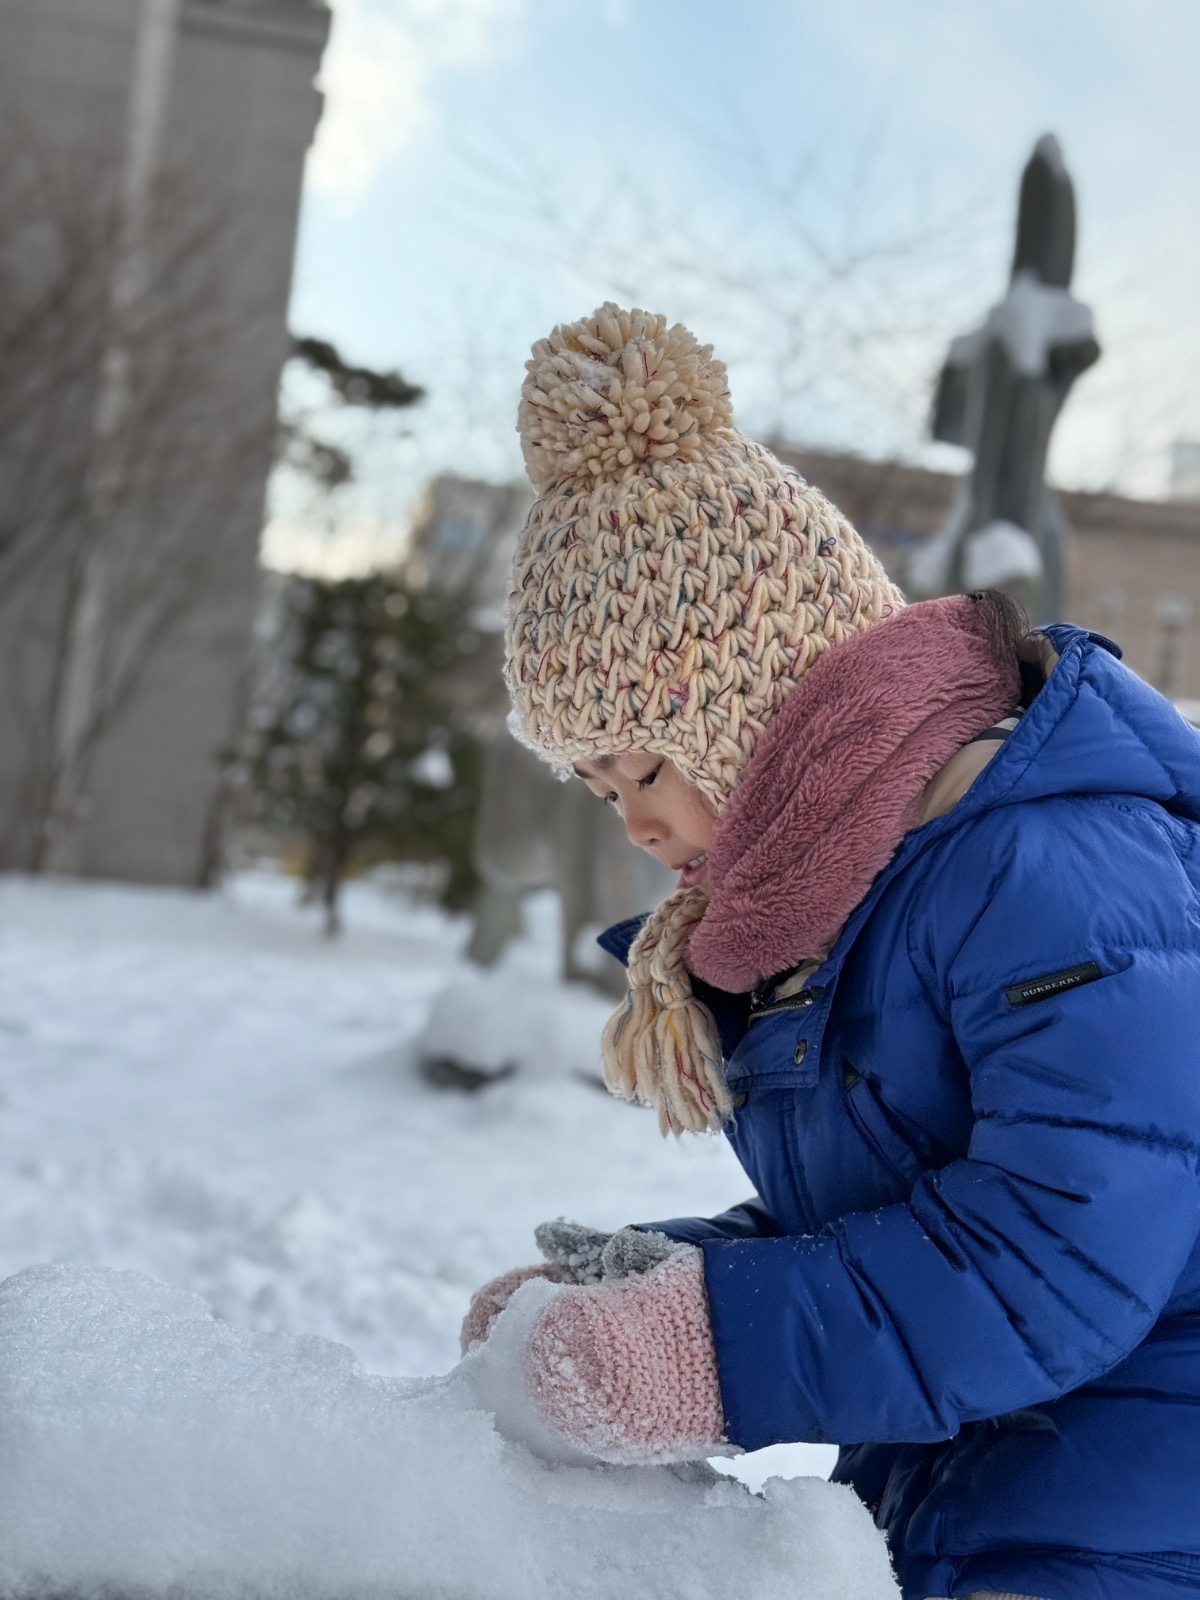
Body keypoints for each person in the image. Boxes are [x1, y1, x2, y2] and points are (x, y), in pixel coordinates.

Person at [461, 303, 1200, 1600]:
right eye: (596, 790)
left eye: (643, 762)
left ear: (758, 699)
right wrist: (668, 1276)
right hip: (973, 1491)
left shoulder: (1050, 870)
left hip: (1140, 1513)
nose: (635, 821)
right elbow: (893, 1216)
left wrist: (707, 1349)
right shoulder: (840, 906)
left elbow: (1054, 1251)